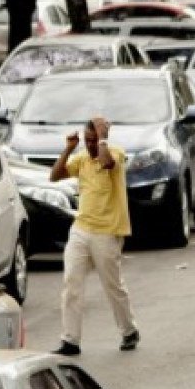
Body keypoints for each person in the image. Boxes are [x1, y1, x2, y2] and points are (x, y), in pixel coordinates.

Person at [49, 117, 139, 355]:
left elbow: (107, 162)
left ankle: (129, 330)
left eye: (93, 140)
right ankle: (70, 340)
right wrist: (69, 148)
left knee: (112, 286)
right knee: (71, 283)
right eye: (87, 141)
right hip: (81, 228)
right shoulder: (82, 160)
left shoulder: (114, 153)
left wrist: (103, 139)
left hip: (107, 232)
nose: (89, 145)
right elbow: (55, 176)